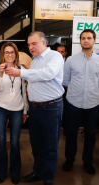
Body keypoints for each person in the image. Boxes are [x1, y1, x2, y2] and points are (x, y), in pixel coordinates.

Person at [5, 31, 64, 185]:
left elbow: (48, 74)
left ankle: (48, 179)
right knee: (36, 144)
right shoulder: (35, 60)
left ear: (44, 43)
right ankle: (38, 172)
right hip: (36, 108)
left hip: (51, 107)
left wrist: (21, 72)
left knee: (50, 145)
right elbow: (33, 78)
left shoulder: (55, 57)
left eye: (34, 43)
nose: (30, 47)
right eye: (29, 44)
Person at [62, 29, 99, 175]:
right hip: (73, 102)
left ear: (94, 40)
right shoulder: (71, 60)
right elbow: (65, 81)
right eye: (83, 38)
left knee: (90, 134)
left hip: (93, 103)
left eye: (89, 38)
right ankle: (69, 159)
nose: (86, 40)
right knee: (70, 133)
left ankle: (87, 161)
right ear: (80, 41)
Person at [0, 42, 28, 184]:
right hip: (0, 107)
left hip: (17, 109)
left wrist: (25, 110)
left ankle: (15, 172)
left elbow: (24, 93)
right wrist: (1, 74)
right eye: (6, 52)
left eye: (12, 52)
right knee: (1, 141)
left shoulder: (21, 70)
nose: (9, 55)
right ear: (2, 54)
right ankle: (1, 172)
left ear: (16, 54)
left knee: (14, 142)